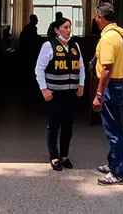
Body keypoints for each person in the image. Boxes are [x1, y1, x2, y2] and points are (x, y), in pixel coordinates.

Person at [34, 16, 85, 171]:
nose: (68, 30)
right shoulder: (48, 46)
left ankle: (64, 156)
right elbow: (39, 69)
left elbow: (81, 66)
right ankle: (54, 156)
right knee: (54, 125)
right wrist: (44, 89)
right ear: (57, 30)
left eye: (69, 27)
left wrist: (81, 85)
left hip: (70, 94)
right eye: (65, 27)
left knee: (68, 126)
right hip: (54, 94)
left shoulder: (75, 45)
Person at [91, 1, 123, 185]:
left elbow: (107, 68)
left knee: (115, 132)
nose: (95, 19)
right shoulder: (122, 33)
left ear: (101, 17)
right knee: (116, 127)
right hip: (121, 85)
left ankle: (118, 173)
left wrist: (99, 94)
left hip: (111, 88)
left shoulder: (107, 38)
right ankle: (112, 162)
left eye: (96, 16)